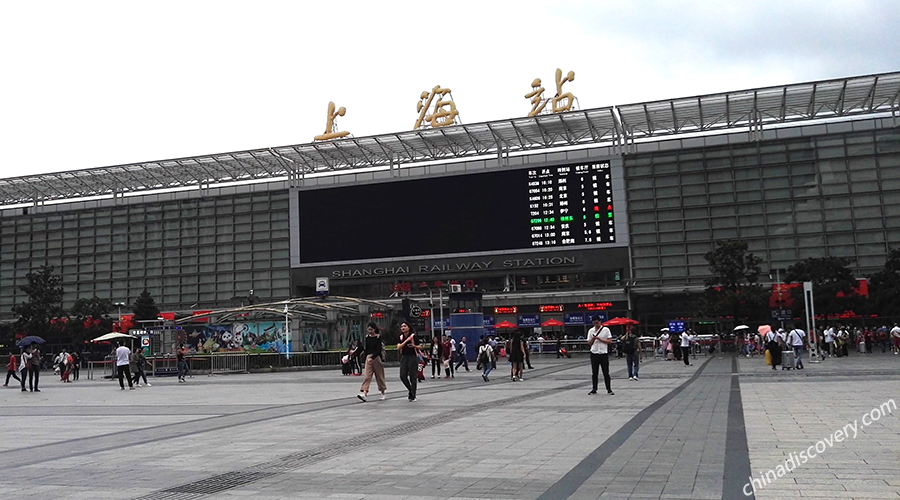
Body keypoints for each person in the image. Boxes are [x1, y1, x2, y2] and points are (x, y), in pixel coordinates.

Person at [357, 322, 387, 402]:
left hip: (376, 357)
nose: (370, 331)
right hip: (368, 357)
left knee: (379, 376)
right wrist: (365, 357)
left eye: (371, 329)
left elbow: (378, 349)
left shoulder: (378, 337)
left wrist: (373, 357)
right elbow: (367, 349)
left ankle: (382, 392)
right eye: (368, 329)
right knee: (367, 376)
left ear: (375, 329)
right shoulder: (367, 337)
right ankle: (364, 393)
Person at [586, 316, 613, 395]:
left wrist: (600, 339)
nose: (596, 325)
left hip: (603, 353)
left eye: (597, 323)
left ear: (600, 322)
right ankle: (594, 389)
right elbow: (588, 343)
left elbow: (609, 341)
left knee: (606, 372)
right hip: (594, 353)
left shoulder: (606, 330)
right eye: (594, 323)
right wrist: (593, 339)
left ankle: (609, 389)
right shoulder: (591, 330)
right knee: (594, 372)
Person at [397, 321, 419, 401]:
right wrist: (406, 341)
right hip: (404, 357)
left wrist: (414, 346)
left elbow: (420, 346)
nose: (403, 328)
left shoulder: (413, 336)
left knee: (413, 377)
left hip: (412, 357)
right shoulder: (401, 337)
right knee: (402, 376)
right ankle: (411, 390)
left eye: (405, 326)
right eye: (402, 326)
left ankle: (413, 395)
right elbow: (398, 347)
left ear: (408, 327)